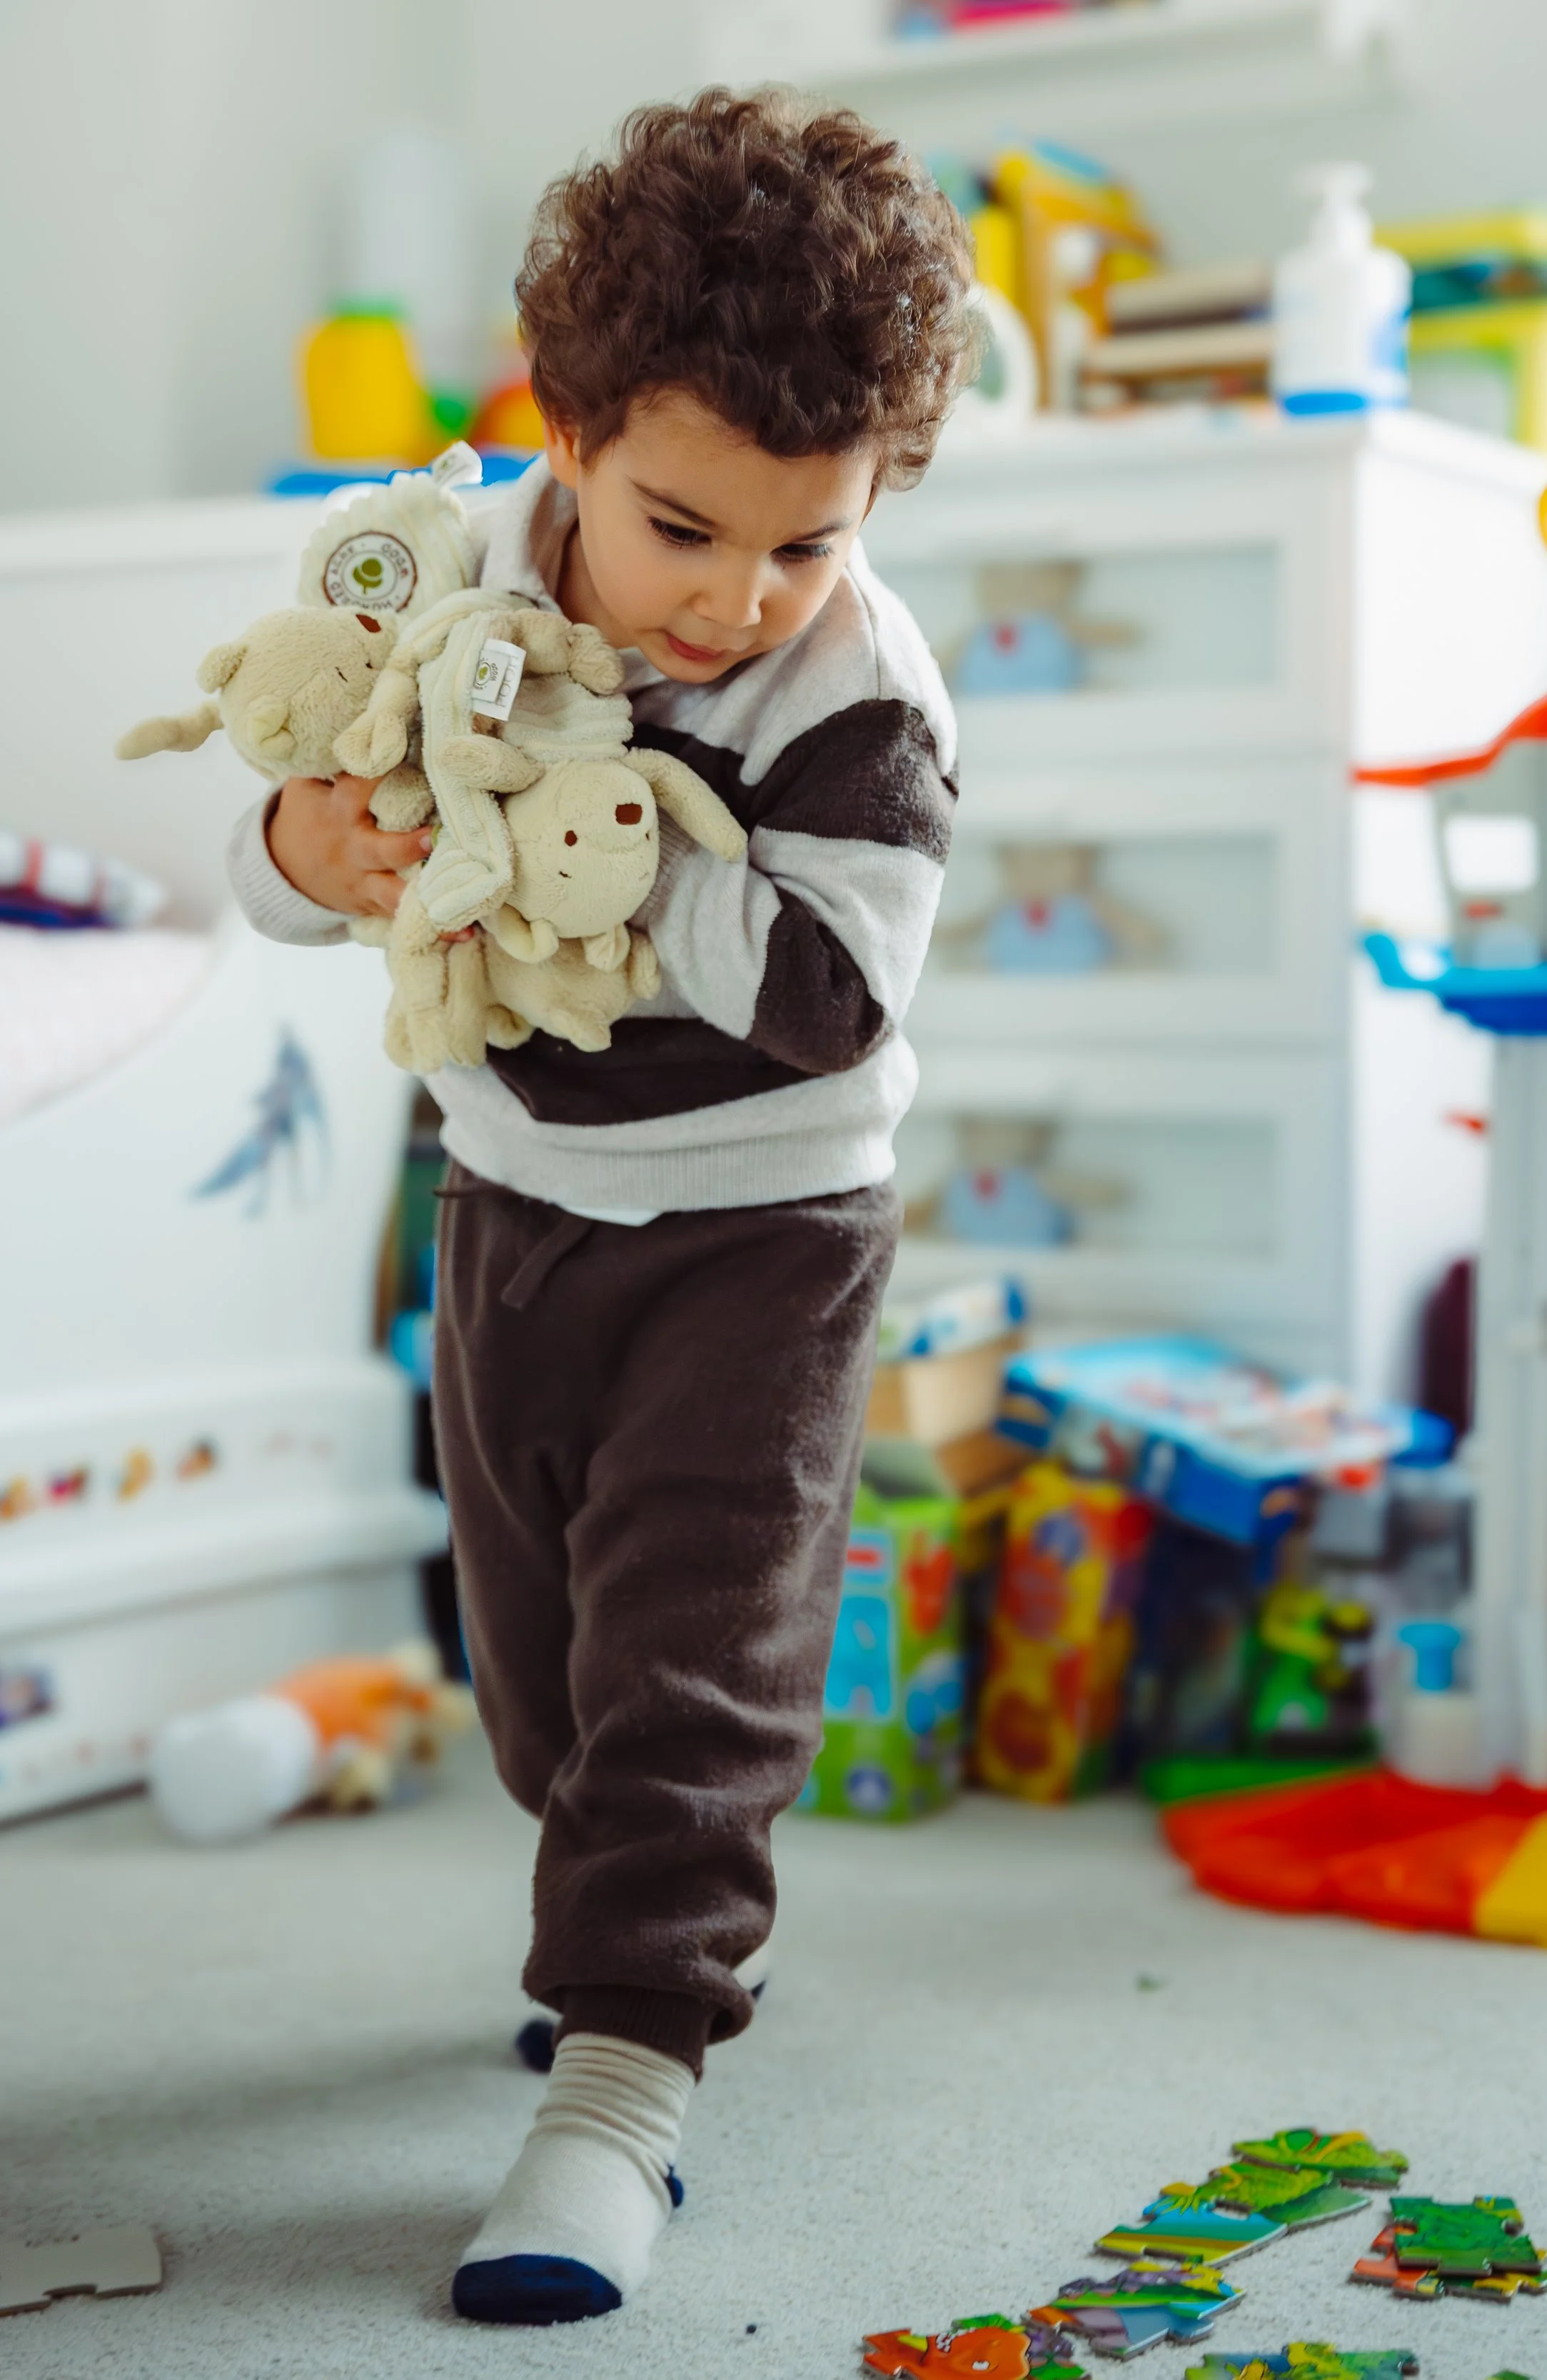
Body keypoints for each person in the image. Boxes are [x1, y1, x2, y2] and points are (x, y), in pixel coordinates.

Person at [227, 90, 976, 2326]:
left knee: (688, 1676)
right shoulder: (439, 573)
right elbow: (279, 847)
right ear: (563, 433)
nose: (738, 600)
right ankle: (603, 1926)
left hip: (763, 1226)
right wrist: (312, 852)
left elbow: (827, 1003)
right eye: (682, 529)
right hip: (513, 1193)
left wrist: (604, 824)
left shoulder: (858, 708)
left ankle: (625, 2086)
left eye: (804, 544)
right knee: (539, 1689)